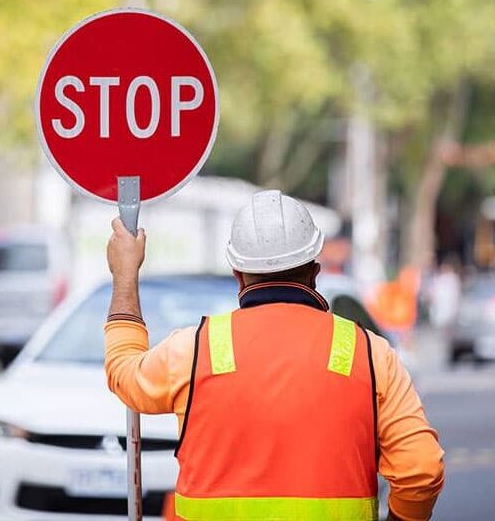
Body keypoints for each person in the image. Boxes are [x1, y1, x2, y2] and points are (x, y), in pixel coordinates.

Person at [104, 190, 444, 521]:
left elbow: (123, 372)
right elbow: (421, 470)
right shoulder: (369, 354)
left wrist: (125, 275)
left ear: (238, 275)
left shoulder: (194, 350)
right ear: (314, 270)